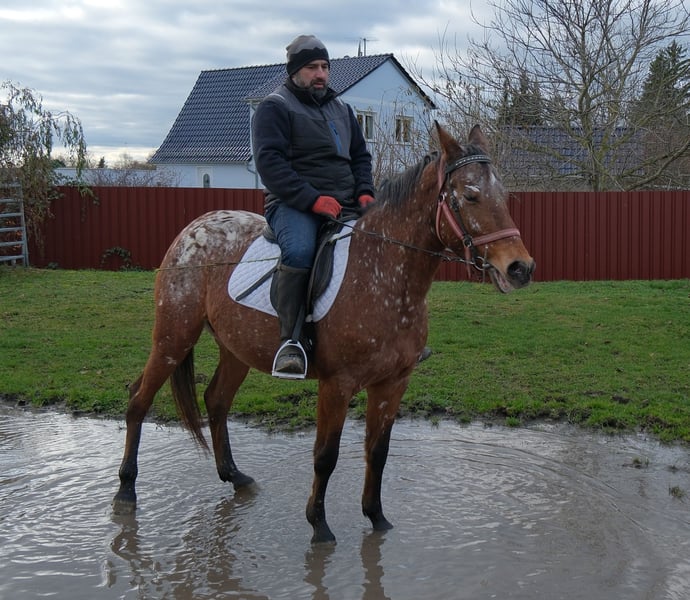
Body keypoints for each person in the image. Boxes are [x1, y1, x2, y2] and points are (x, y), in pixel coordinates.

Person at [251, 34, 376, 379]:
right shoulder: (275, 107)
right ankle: (291, 342)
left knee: (382, 244)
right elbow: (270, 164)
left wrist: (365, 192)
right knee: (300, 251)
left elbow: (360, 157)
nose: (320, 74)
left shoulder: (342, 109)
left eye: (324, 66)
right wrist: (312, 200)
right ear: (294, 72)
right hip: (293, 204)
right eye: (311, 67)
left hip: (345, 203)